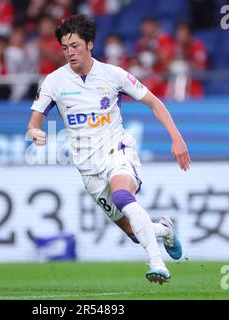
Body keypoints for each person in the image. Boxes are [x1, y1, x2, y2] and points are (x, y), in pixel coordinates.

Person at [26, 14, 190, 284]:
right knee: (136, 234)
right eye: (65, 48)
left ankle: (157, 264)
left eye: (75, 46)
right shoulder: (54, 82)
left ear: (90, 44)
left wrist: (177, 138)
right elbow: (33, 122)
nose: (70, 53)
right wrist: (35, 132)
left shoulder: (113, 75)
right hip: (87, 167)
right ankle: (164, 231)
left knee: (123, 196)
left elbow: (154, 102)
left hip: (117, 150)